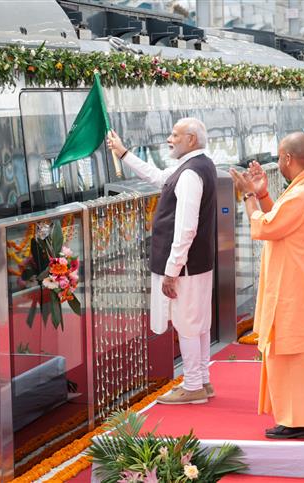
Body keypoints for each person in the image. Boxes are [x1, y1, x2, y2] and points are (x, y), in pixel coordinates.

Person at [230, 132, 304, 439]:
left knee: (292, 355)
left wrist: (249, 195)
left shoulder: (303, 193)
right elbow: (282, 219)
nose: (278, 162)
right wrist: (264, 195)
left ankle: (297, 420)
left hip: (294, 290)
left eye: (279, 157)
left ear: (288, 158)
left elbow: (266, 227)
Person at [107, 118, 217, 405]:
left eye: (175, 135)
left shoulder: (191, 173)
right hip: (198, 263)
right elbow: (158, 177)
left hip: (186, 267)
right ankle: (202, 380)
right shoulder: (198, 165)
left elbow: (186, 228)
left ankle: (192, 385)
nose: (169, 139)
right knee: (199, 322)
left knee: (188, 323)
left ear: (191, 140)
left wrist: (172, 270)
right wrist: (123, 153)